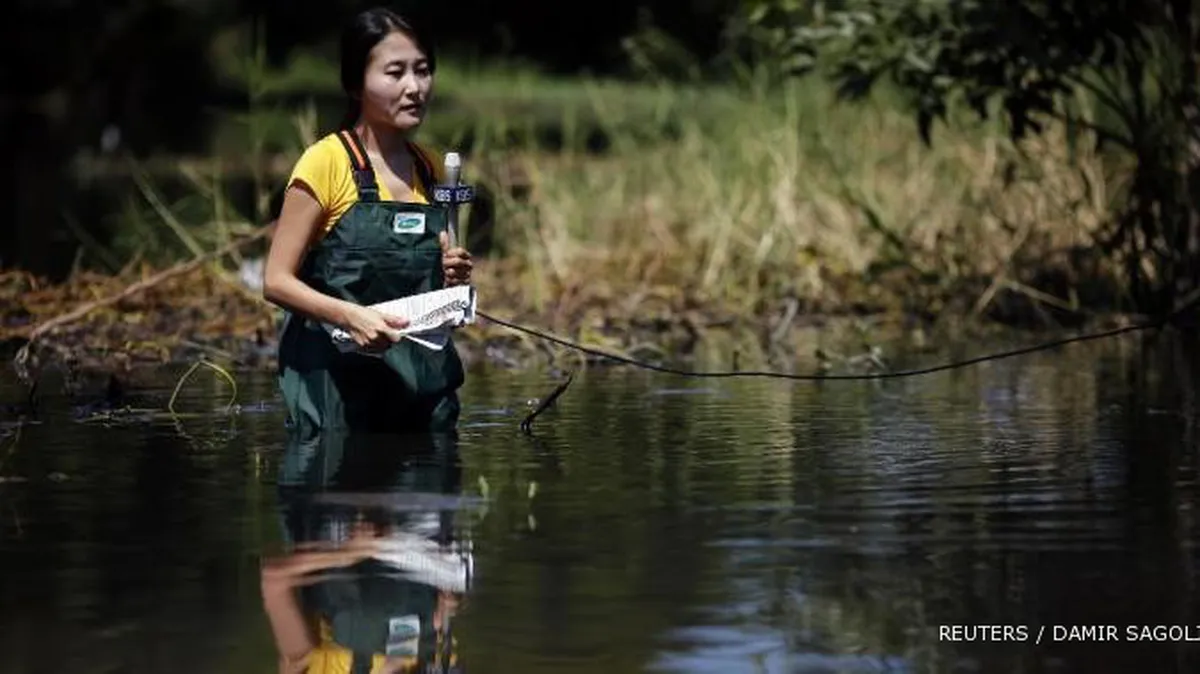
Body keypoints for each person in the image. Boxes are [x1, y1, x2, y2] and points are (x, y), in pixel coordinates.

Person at [263, 7, 473, 437]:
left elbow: (433, 283)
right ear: (355, 84)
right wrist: (349, 318)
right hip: (334, 392)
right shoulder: (325, 162)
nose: (414, 87)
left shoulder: (433, 167)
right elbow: (276, 281)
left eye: (423, 70)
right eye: (395, 72)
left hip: (420, 389)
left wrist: (454, 276)